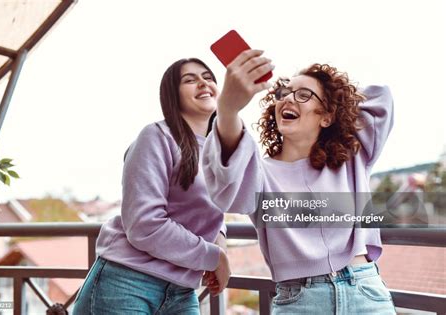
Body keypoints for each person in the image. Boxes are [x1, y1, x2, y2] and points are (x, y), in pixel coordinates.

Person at [202, 49, 396, 314]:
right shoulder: (258, 172)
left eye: (303, 95)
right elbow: (225, 182)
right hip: (300, 301)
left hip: (364, 291)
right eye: (284, 93)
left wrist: (334, 92)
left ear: (327, 116)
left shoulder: (352, 155)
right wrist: (227, 109)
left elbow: (381, 97)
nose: (288, 99)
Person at [72, 58, 230, 315]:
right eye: (189, 79)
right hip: (126, 282)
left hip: (182, 288)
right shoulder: (156, 136)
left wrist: (219, 240)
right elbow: (145, 224)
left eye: (208, 77)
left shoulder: (221, 151)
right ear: (172, 95)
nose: (203, 82)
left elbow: (217, 202)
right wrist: (213, 256)